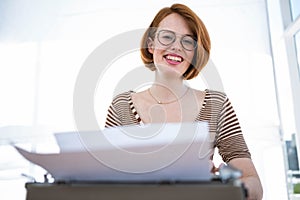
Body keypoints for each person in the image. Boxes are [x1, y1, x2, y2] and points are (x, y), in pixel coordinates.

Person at [105, 3, 263, 200]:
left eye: (188, 42)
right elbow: (106, 180)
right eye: (167, 37)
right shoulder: (121, 106)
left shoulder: (216, 104)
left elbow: (253, 182)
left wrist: (228, 186)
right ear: (151, 44)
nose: (176, 46)